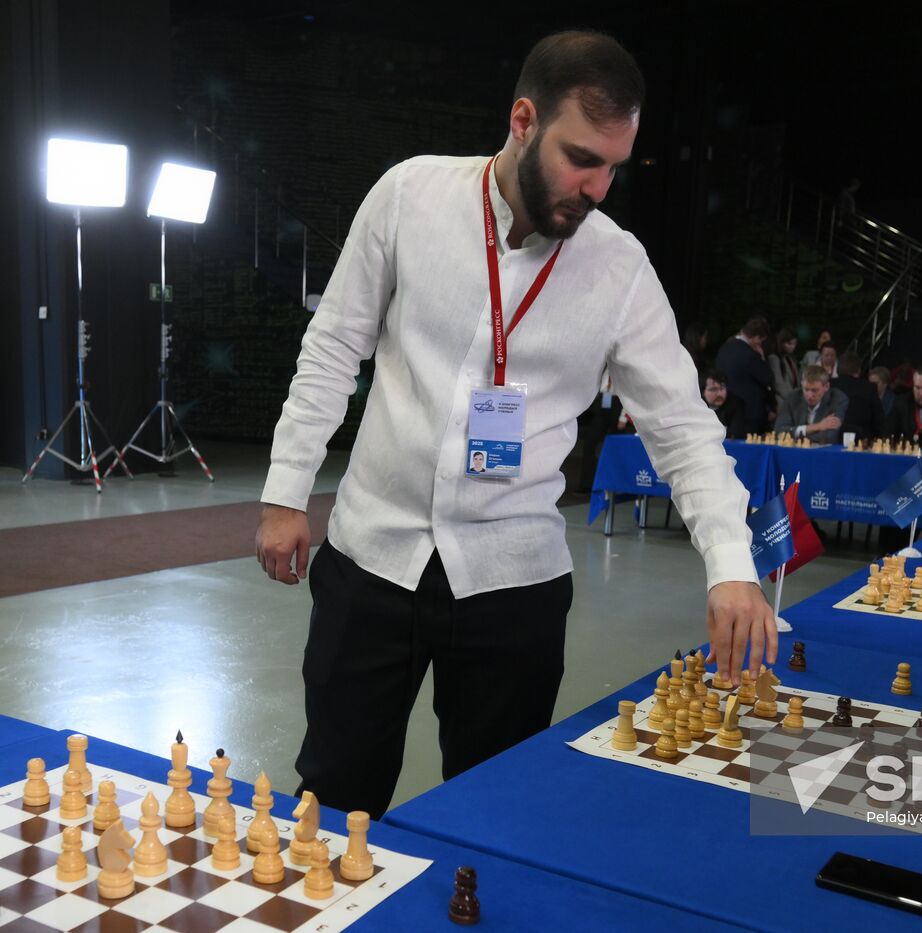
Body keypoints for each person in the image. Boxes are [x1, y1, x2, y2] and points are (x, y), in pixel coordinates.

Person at [252, 31, 775, 819]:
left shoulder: (619, 268)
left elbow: (681, 426)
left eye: (613, 168)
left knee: (492, 814)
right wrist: (287, 491)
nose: (597, 186)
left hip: (513, 583)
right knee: (335, 797)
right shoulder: (409, 196)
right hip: (371, 560)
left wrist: (730, 562)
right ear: (523, 119)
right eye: (581, 157)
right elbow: (334, 347)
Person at [714, 318, 774, 435]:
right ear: (756, 337)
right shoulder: (751, 355)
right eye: (761, 341)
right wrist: (762, 358)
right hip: (750, 413)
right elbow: (768, 378)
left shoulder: (724, 348)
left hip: (726, 409)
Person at [774, 366, 848, 445]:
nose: (809, 395)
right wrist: (818, 426)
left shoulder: (837, 399)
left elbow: (828, 437)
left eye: (814, 390)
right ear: (802, 384)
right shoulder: (793, 397)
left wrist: (794, 434)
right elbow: (778, 432)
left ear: (826, 387)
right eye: (806, 389)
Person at [831, 351, 885, 441]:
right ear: (859, 370)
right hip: (861, 441)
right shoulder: (868, 388)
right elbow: (879, 421)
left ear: (837, 369)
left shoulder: (828, 385)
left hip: (831, 439)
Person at [700, 369, 745, 440]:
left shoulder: (736, 405)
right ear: (703, 392)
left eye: (722, 388)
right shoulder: (697, 406)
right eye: (713, 389)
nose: (719, 394)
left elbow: (735, 435)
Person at [767, 327, 801, 402]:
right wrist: (792, 398)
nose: (793, 346)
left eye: (794, 343)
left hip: (794, 398)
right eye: (789, 344)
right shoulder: (774, 358)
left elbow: (796, 380)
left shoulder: (790, 358)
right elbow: (778, 384)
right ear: (781, 342)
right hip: (782, 401)